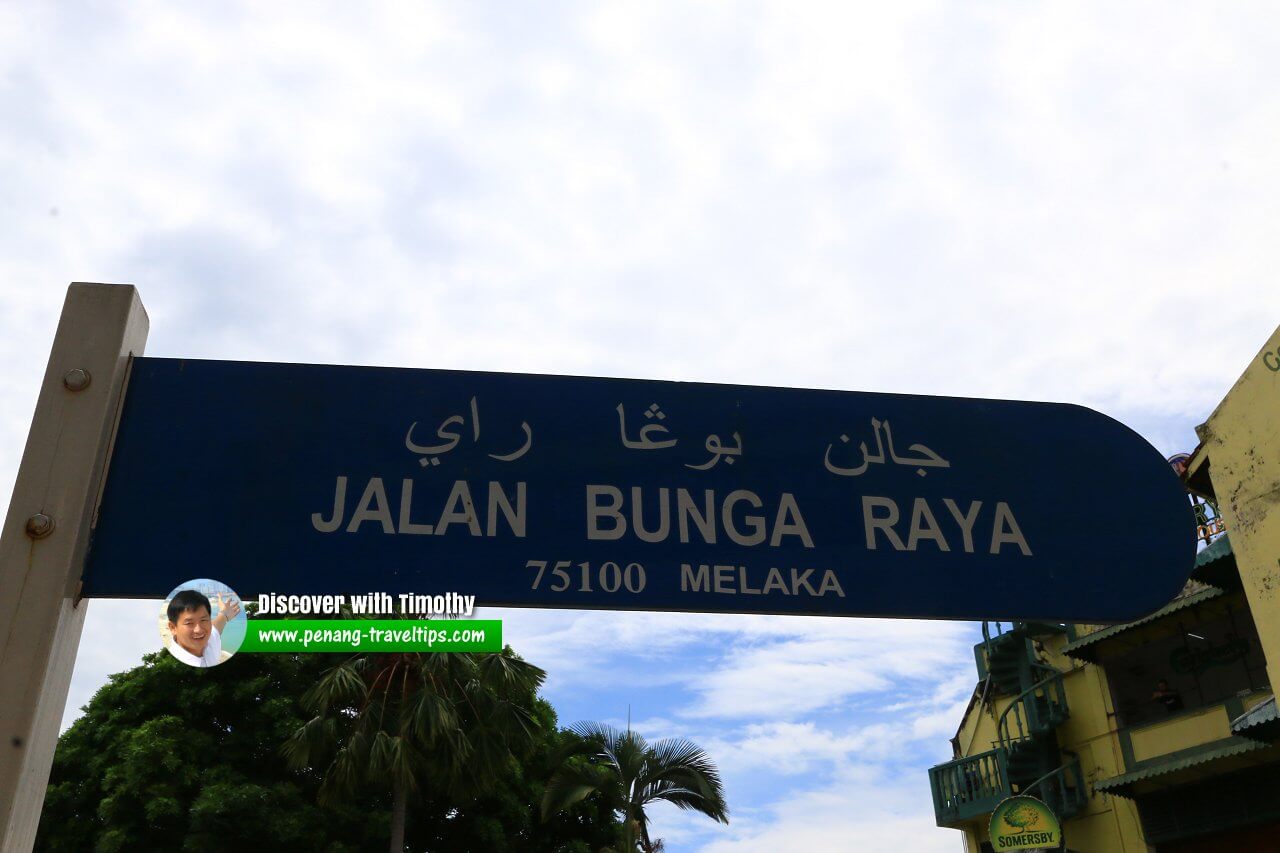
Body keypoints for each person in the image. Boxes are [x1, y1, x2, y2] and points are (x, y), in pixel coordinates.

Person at [166, 589, 241, 667]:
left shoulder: (209, 640)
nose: (199, 630)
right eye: (189, 623)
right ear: (173, 627)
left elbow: (216, 627)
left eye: (203, 620)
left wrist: (224, 614)